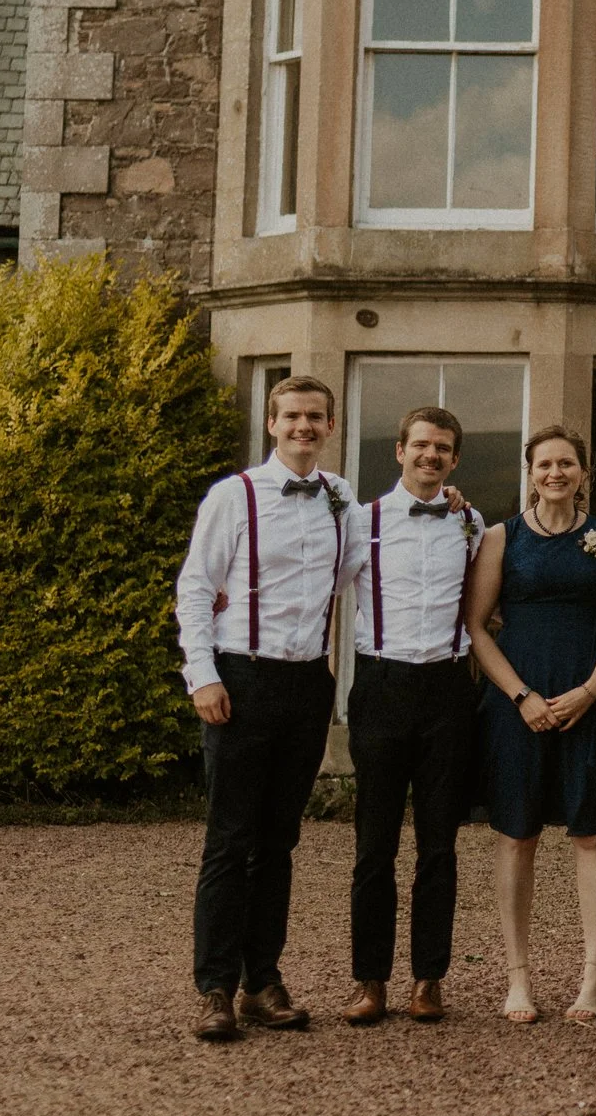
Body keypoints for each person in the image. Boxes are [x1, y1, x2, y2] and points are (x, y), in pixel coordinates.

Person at [174, 374, 355, 1042]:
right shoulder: (234, 495)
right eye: (292, 416)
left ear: (329, 426)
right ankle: (215, 987)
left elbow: (367, 567)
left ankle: (262, 980)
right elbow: (197, 586)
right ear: (272, 424)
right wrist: (203, 675)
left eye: (315, 416)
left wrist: (456, 510)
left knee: (279, 842)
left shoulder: (342, 500)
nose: (303, 426)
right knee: (230, 839)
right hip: (240, 679)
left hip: (308, 682)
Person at [466, 423, 596, 1024]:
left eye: (567, 463)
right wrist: (523, 696)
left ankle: (592, 977)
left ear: (583, 472)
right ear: (530, 471)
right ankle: (518, 979)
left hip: (590, 702)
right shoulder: (500, 537)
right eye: (545, 464)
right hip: (520, 707)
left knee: (591, 834)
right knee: (517, 835)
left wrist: (591, 691)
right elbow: (477, 626)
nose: (555, 474)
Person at [337, 406, 483, 1027]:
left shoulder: (471, 522)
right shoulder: (359, 521)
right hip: (382, 684)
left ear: (454, 459)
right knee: (373, 845)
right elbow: (314, 581)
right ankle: (370, 982)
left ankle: (429, 980)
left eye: (442, 448)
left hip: (449, 689)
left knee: (439, 845)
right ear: (398, 451)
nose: (431, 456)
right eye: (420, 445)